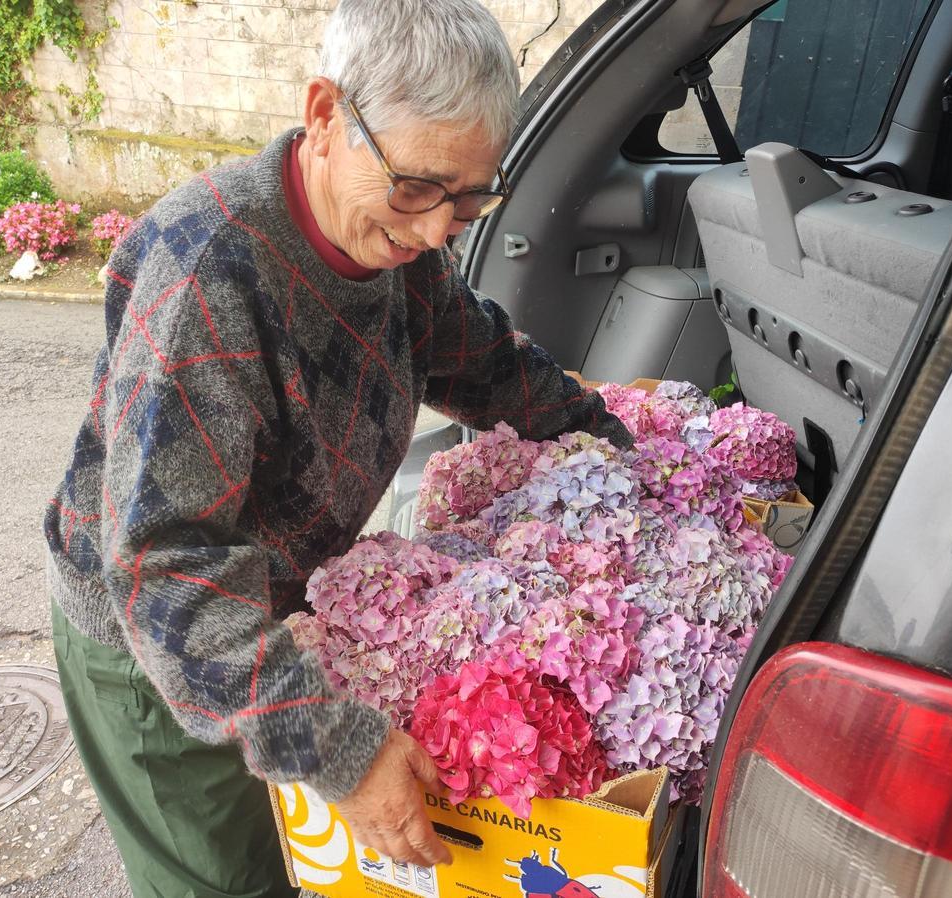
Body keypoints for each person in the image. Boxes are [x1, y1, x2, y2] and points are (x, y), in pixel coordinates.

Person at [43, 1, 632, 895]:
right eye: (420, 187)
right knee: (230, 880)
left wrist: (613, 440)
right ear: (325, 115)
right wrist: (340, 751)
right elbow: (166, 566)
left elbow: (476, 359)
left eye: (474, 198)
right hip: (159, 647)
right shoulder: (208, 275)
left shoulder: (398, 243)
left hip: (276, 615)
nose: (440, 229)